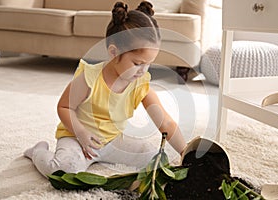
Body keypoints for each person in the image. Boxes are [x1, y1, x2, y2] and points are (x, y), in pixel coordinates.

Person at [24, 1, 187, 177]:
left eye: (149, 64)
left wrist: (185, 152)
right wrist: (80, 133)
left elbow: (166, 123)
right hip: (76, 138)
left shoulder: (140, 85)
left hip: (111, 142)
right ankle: (37, 151)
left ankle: (100, 158)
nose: (143, 70)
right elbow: (64, 107)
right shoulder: (89, 77)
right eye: (138, 63)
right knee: (64, 171)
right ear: (113, 52)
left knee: (155, 158)